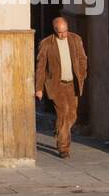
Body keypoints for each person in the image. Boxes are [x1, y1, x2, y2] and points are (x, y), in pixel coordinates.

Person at [35, 15, 88, 159]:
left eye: (65, 31)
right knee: (63, 114)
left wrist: (82, 75)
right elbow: (40, 67)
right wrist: (38, 88)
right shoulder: (46, 44)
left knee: (72, 115)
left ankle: (59, 131)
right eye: (59, 32)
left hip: (72, 84)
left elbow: (83, 59)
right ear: (54, 30)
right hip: (56, 85)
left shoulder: (75, 39)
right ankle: (63, 148)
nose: (63, 34)